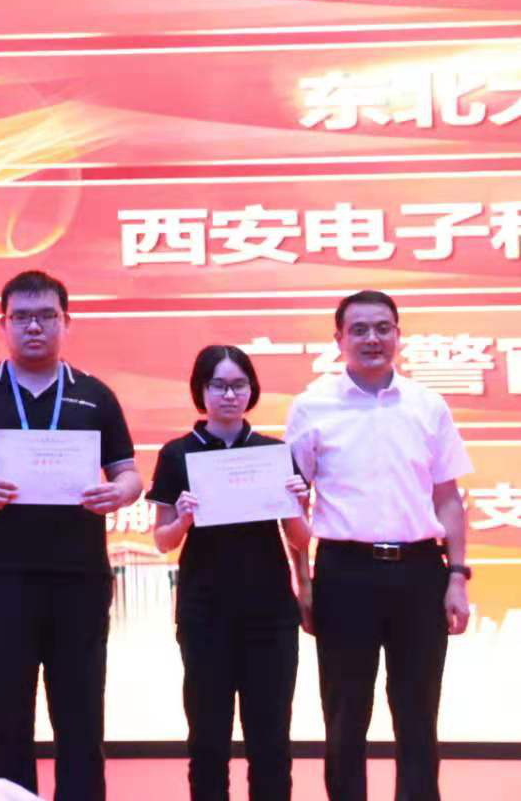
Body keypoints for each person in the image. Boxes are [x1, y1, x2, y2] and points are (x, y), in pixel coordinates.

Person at [0, 270, 141, 801]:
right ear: (2, 323)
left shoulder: (94, 395)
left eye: (46, 316)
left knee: (81, 718)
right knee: (5, 719)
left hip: (79, 581)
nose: (34, 327)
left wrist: (117, 493)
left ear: (66, 322)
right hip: (0, 582)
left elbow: (130, 475)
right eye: (21, 317)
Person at [286, 290, 473, 801]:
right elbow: (292, 502)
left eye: (383, 328)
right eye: (360, 329)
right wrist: (303, 582)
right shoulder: (311, 406)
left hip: (420, 571)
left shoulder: (427, 405)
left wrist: (457, 576)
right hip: (344, 572)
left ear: (398, 334)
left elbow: (448, 498)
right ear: (339, 339)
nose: (373, 338)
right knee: (345, 711)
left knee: (418, 710)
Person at [148, 345, 312, 801]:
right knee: (207, 740)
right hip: (205, 614)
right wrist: (183, 518)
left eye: (239, 385)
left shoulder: (272, 452)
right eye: (218, 385)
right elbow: (163, 540)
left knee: (271, 741)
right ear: (200, 390)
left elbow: (300, 539)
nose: (229, 395)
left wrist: (296, 503)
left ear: (251, 390)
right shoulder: (177, 453)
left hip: (270, 615)